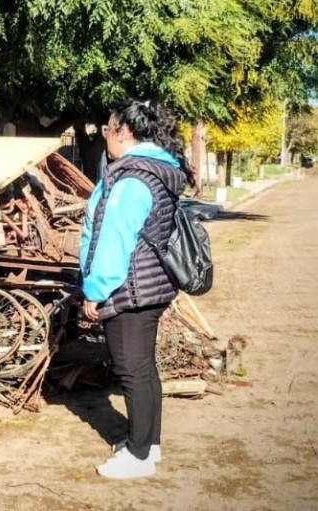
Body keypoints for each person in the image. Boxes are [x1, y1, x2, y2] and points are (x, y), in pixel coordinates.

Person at [79, 99, 196, 479]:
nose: (104, 138)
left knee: (131, 370)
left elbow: (113, 240)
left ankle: (139, 455)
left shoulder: (131, 179)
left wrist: (95, 290)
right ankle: (148, 444)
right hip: (149, 284)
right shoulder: (155, 170)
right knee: (143, 368)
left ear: (124, 133)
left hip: (129, 287)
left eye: (107, 130)